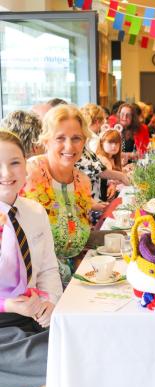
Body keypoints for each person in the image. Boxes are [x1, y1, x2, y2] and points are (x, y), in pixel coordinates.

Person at [0, 130, 62, 387]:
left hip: (33, 317)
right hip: (5, 326)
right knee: (59, 356)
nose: (6, 172)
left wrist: (50, 302)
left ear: (26, 165)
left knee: (83, 338)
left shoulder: (35, 212)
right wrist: (7, 305)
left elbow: (48, 269)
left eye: (14, 162)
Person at [21, 104, 93, 286]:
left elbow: (77, 243)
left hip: (75, 281)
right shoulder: (29, 173)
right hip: (33, 285)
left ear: (84, 141)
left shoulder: (83, 182)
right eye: (60, 138)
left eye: (76, 138)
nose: (69, 146)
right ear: (46, 141)